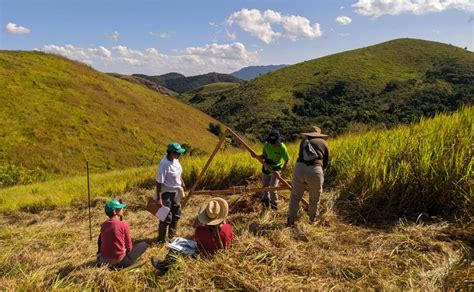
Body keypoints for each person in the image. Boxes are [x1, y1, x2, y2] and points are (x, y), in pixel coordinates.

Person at [150, 197, 233, 273]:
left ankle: (164, 266)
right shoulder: (228, 229)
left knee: (175, 247)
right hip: (220, 257)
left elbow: (198, 242)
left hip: (201, 257)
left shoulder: (200, 231)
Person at [287, 126, 330, 226]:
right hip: (315, 170)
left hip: (299, 168)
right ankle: (312, 220)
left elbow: (300, 155)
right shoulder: (324, 143)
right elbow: (326, 161)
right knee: (314, 199)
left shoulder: (304, 141)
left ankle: (291, 220)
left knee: (295, 196)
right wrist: (322, 171)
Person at [96, 199, 148, 269]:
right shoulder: (123, 225)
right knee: (144, 244)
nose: (122, 209)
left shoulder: (103, 225)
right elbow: (129, 246)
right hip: (119, 262)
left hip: (103, 262)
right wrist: (130, 254)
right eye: (120, 208)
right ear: (114, 211)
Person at [155, 142, 186, 243]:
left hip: (176, 191)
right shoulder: (164, 164)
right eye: (177, 153)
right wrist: (159, 199)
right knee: (165, 217)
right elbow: (159, 182)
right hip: (166, 193)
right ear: (171, 153)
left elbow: (178, 172)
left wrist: (181, 181)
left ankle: (172, 237)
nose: (179, 155)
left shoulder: (175, 160)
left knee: (176, 214)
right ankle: (161, 240)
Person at [260, 130, 290, 210]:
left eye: (274, 143)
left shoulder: (282, 147)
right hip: (266, 167)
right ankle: (265, 201)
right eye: (271, 142)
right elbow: (264, 155)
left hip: (276, 169)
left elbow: (287, 160)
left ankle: (274, 204)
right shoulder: (266, 145)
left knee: (273, 188)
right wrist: (258, 156)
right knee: (265, 186)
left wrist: (281, 171)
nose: (272, 144)